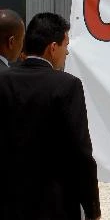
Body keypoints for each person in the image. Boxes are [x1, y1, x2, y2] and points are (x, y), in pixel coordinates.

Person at [0, 12, 101, 219]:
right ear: (53, 48)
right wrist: (92, 208)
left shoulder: (3, 80)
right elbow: (81, 152)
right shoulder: (67, 85)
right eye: (66, 46)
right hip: (54, 206)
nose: (67, 53)